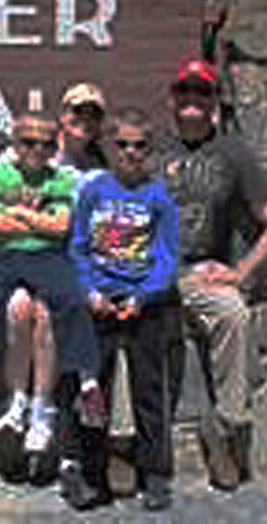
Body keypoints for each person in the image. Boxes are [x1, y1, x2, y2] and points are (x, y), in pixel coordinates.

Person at [154, 55, 267, 491]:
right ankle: (127, 441)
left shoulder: (233, 152)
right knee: (122, 321)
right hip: (149, 272)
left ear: (215, 101)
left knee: (233, 313)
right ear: (172, 99)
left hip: (201, 273)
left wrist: (242, 272)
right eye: (185, 91)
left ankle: (226, 432)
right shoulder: (147, 147)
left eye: (203, 91)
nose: (193, 99)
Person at [0, 113, 103, 462]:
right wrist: (33, 221)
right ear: (14, 145)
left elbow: (60, 225)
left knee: (72, 304)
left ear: (54, 146)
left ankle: (88, 382)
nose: (36, 150)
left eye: (45, 144)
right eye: (27, 142)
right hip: (4, 258)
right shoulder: (3, 170)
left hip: (47, 258)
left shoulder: (63, 177)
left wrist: (23, 217)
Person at [61, 107, 181, 511]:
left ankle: (154, 474)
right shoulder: (94, 191)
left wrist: (142, 297)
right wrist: (89, 291)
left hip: (142, 304)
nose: (131, 152)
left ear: (150, 150)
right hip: (98, 301)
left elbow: (166, 257)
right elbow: (77, 246)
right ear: (111, 147)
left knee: (149, 390)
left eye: (140, 146)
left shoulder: (159, 196)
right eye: (123, 145)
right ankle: (91, 473)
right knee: (94, 391)